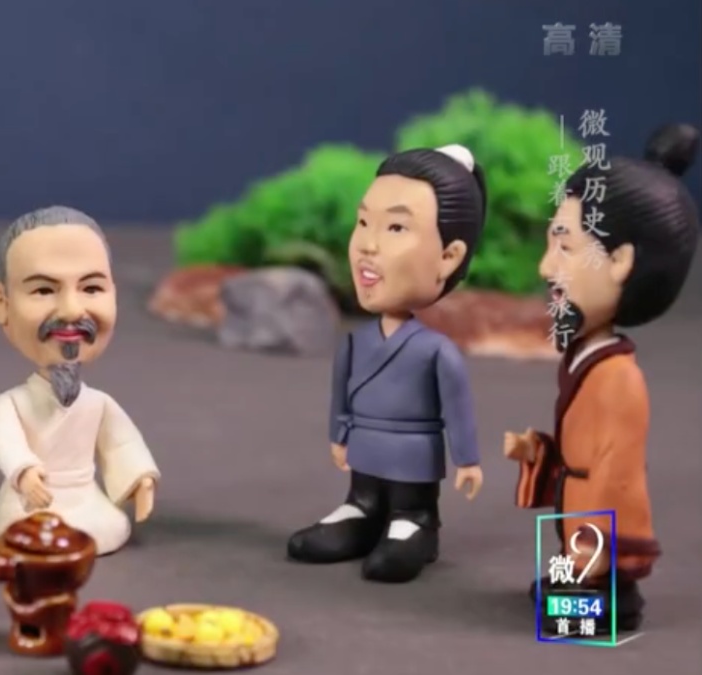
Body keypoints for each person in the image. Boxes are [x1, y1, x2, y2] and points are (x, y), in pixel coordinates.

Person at [506, 123, 699, 632]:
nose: (545, 268)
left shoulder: (617, 380)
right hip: (578, 514)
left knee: (573, 600)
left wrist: (589, 550)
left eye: (565, 249)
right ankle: (583, 587)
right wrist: (540, 452)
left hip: (597, 522)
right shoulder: (584, 357)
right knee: (559, 590)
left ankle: (603, 597)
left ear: (620, 261)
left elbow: (615, 477)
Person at [287, 145, 487, 583]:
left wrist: (467, 460)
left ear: (449, 257)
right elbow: (341, 397)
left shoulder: (436, 351)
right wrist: (339, 435)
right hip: (364, 451)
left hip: (413, 455)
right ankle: (362, 513)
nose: (368, 245)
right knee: (363, 496)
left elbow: (457, 411)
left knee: (408, 509)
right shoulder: (356, 342)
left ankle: (415, 523)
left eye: (396, 227)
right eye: (363, 223)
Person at [0, 206, 160, 555]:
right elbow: (4, 442)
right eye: (43, 290)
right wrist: (24, 472)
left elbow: (121, 444)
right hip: (29, 503)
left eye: (91, 288)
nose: (71, 310)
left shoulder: (98, 404)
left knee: (108, 525)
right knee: (26, 531)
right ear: (1, 302)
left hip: (86, 499)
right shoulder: (12, 405)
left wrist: (140, 477)